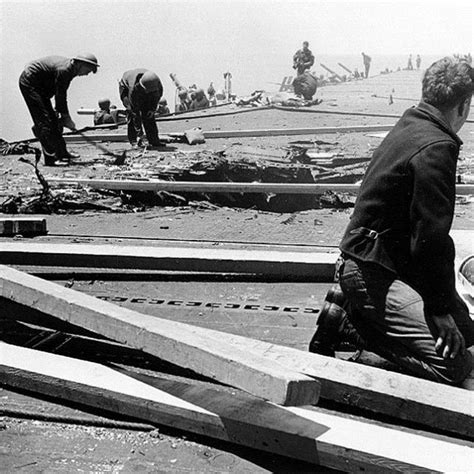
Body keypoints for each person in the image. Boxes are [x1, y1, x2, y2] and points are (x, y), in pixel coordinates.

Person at [309, 57, 474, 386]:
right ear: (464, 104)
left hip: (370, 259)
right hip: (371, 273)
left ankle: (356, 310)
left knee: (466, 332)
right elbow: (430, 239)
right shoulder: (437, 147)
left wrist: (444, 306)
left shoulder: (412, 123)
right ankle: (350, 326)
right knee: (455, 365)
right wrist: (438, 309)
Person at [19, 53, 99, 166]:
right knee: (44, 122)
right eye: (88, 70)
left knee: (54, 119)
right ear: (80, 64)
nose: (87, 74)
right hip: (30, 83)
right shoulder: (64, 70)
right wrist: (66, 118)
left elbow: (60, 94)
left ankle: (62, 153)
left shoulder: (71, 70)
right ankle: (50, 159)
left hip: (42, 88)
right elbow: (60, 96)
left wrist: (62, 115)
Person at [119, 69, 163, 147]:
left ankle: (154, 140)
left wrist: (152, 109)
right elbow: (134, 112)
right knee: (131, 112)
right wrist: (140, 133)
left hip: (144, 88)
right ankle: (134, 141)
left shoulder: (157, 85)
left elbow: (157, 97)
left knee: (148, 114)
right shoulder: (133, 88)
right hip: (126, 88)